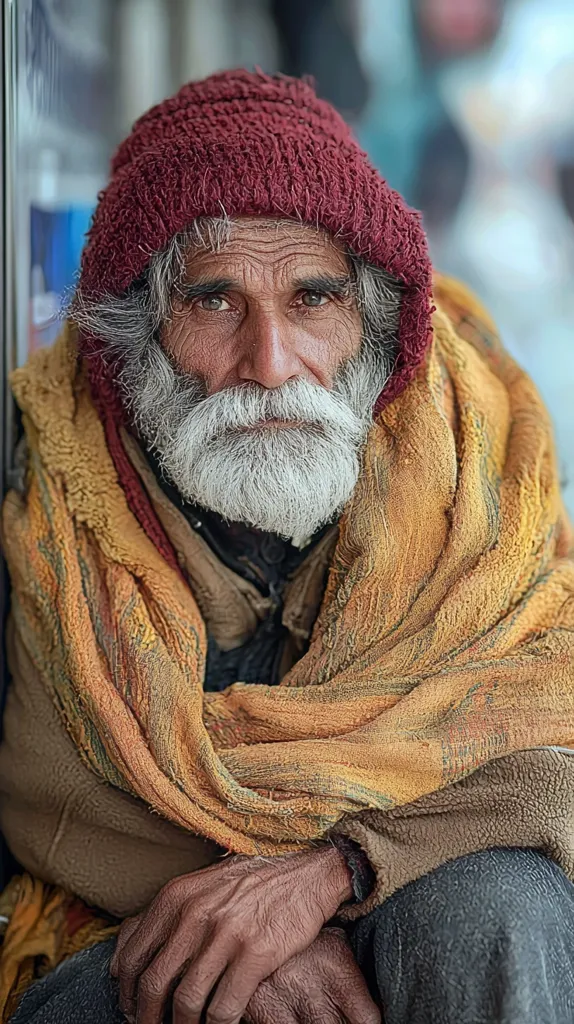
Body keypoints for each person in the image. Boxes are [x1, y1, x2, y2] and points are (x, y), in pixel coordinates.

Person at [1, 70, 574, 1024]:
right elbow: (47, 796)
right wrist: (248, 938)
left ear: (373, 325)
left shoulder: (475, 458)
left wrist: (327, 874)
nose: (270, 365)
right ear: (139, 336)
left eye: (312, 298)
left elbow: (554, 739)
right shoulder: (63, 496)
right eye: (214, 302)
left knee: (496, 911)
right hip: (133, 910)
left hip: (423, 877)